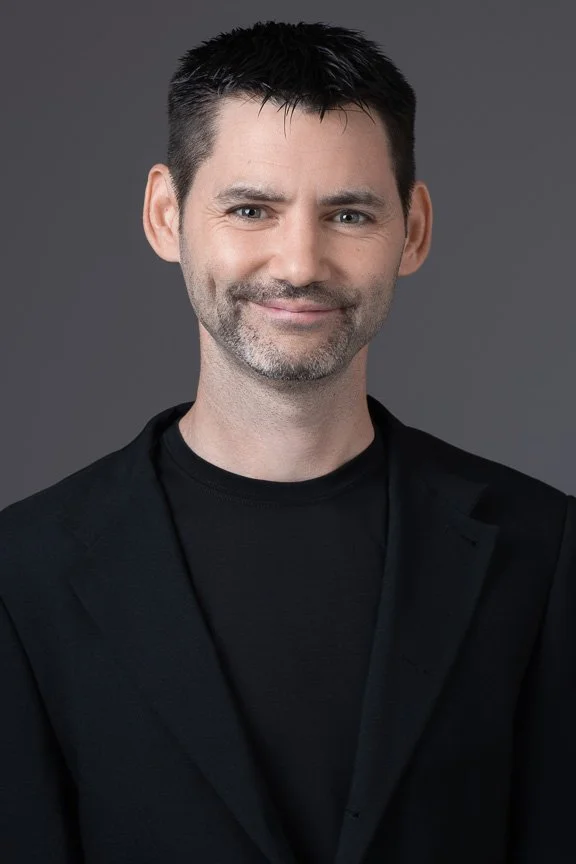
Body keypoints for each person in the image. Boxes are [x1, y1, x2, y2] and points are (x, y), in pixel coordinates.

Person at [0, 19, 574, 864]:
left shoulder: (545, 550)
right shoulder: (25, 573)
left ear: (412, 230)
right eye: (250, 208)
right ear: (167, 215)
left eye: (348, 213)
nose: (300, 262)